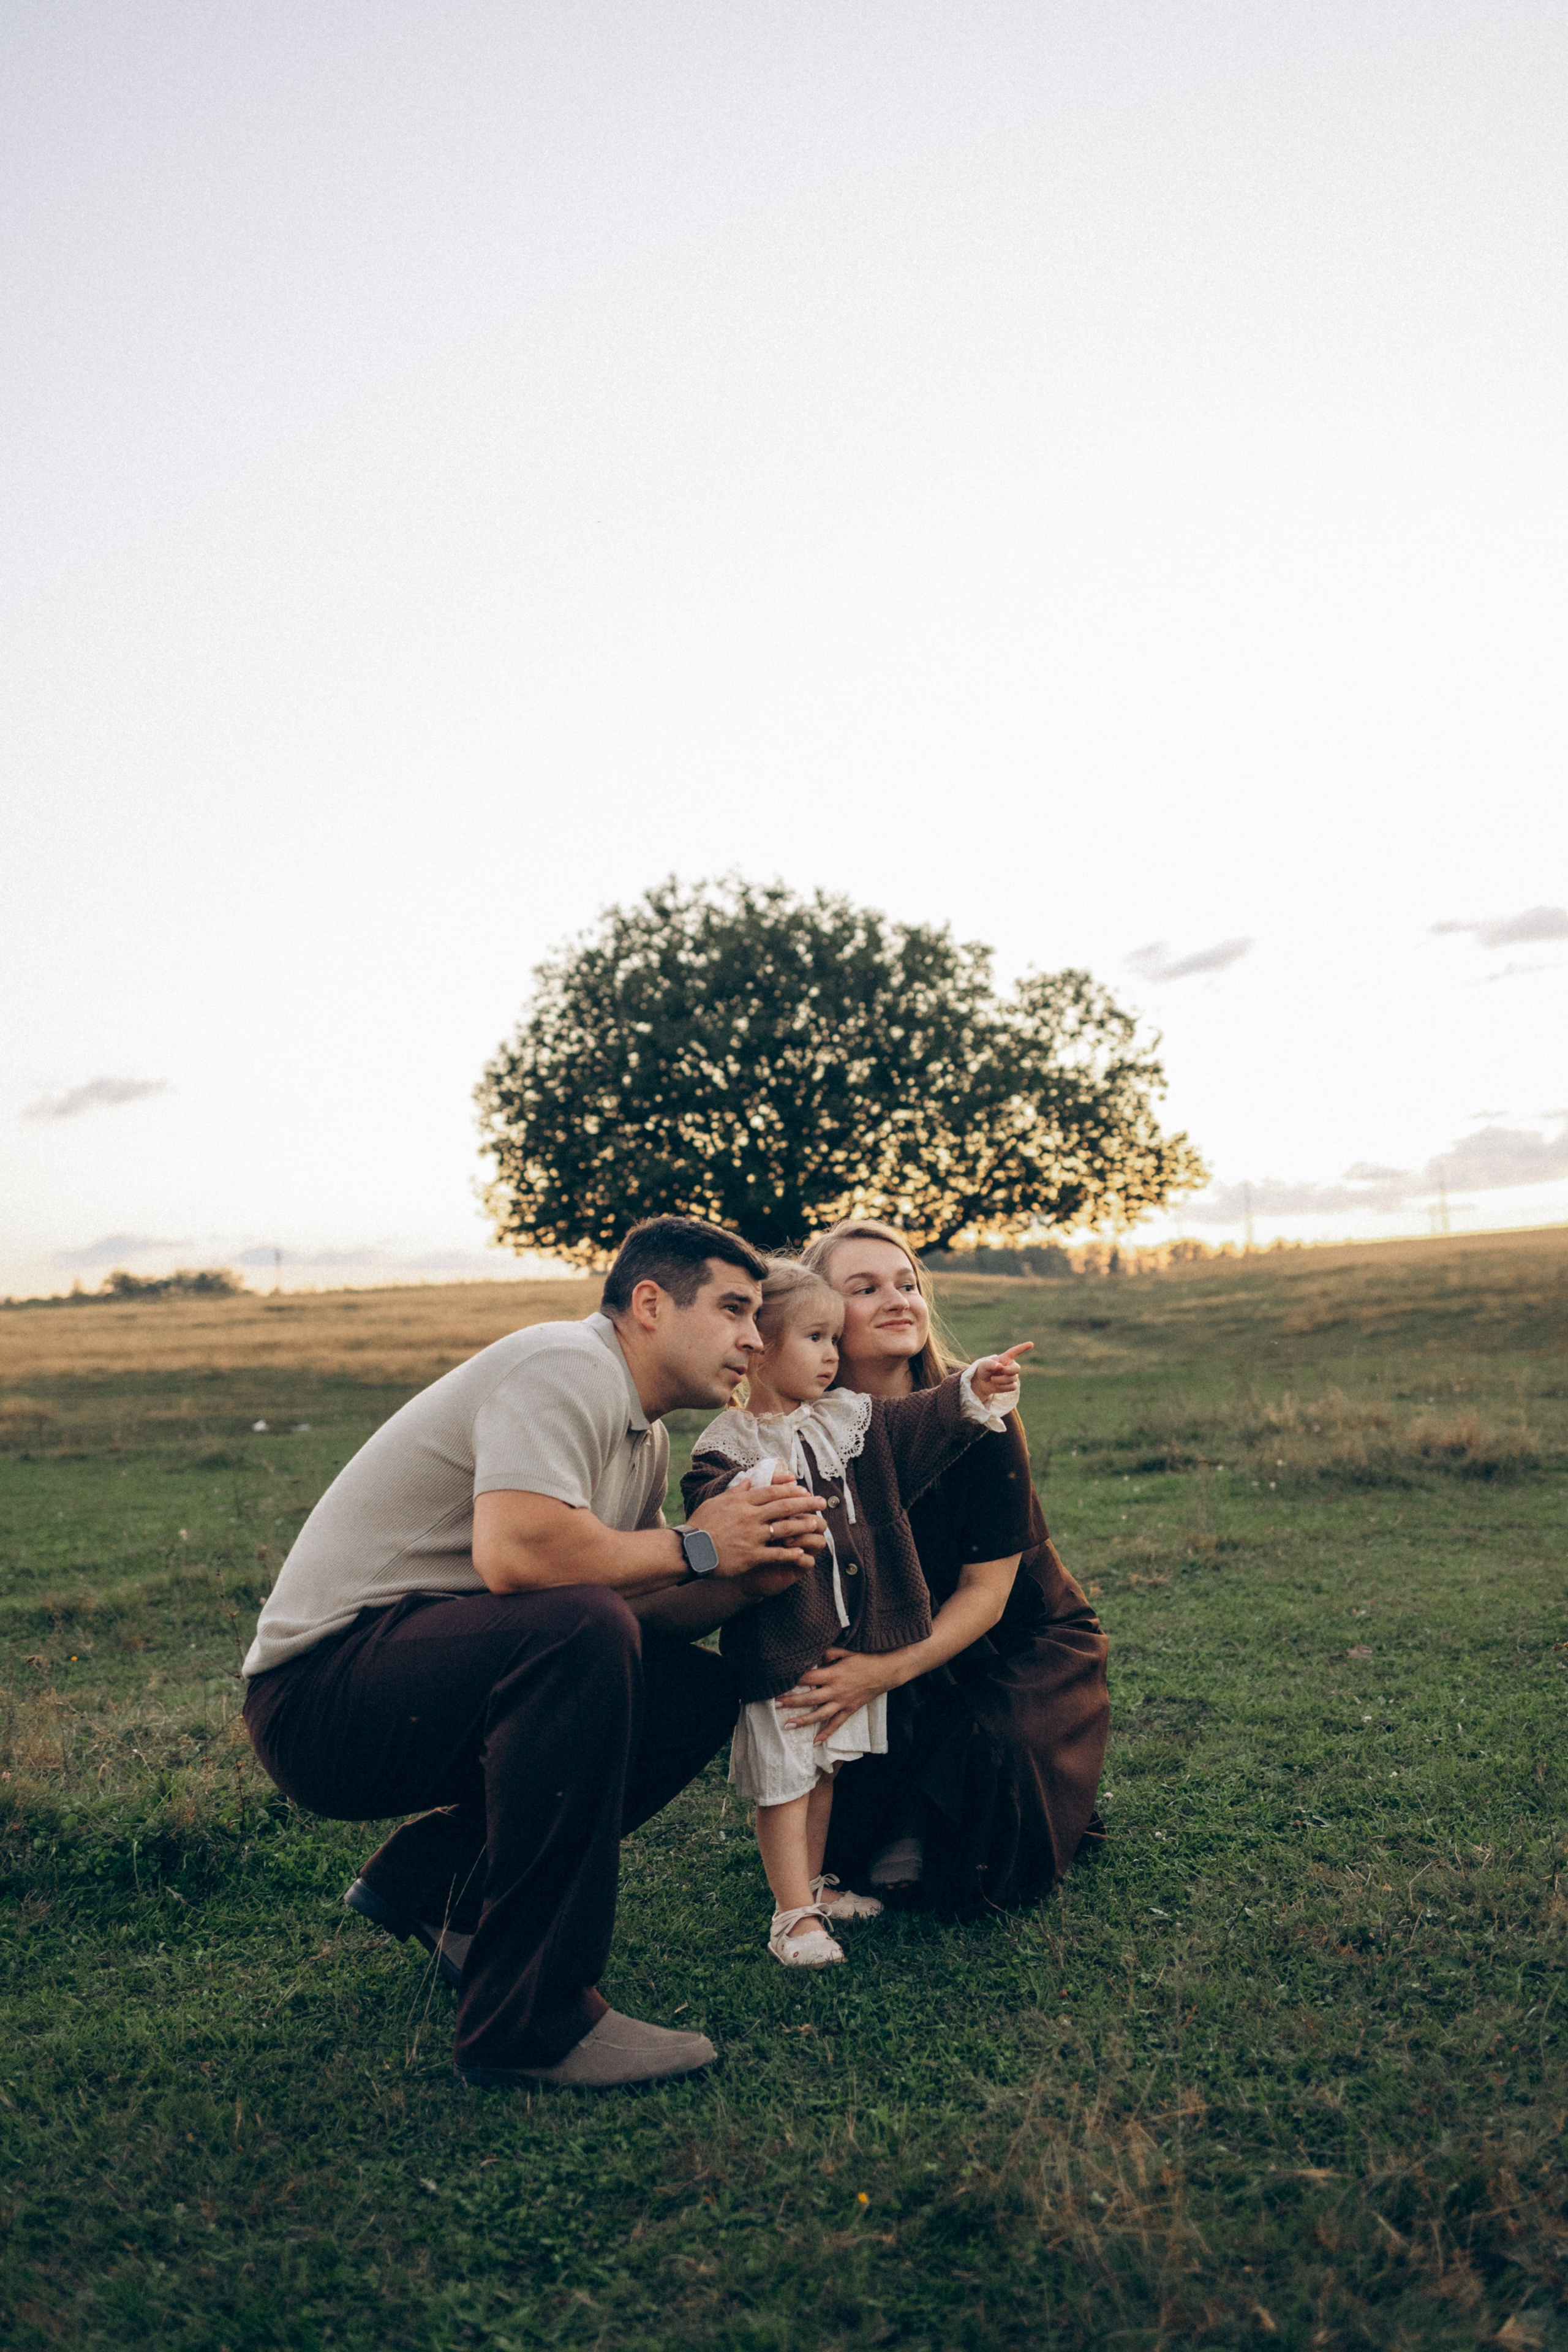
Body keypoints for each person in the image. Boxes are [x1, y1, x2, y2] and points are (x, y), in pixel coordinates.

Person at [241, 1215, 831, 2090]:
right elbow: (522, 1556)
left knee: (693, 1691)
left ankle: (441, 1887)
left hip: (424, 1675)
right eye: (735, 1309)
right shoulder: (564, 1364)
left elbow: (632, 1609)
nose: (755, 1336)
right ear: (649, 1305)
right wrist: (700, 1544)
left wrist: (743, 1577)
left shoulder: (644, 1432)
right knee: (581, 1629)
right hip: (321, 1698)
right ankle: (532, 2022)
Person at [679, 1260, 1030, 1968]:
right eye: (816, 1337)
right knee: (785, 1780)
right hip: (783, 1645)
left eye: (834, 1337)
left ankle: (816, 1887)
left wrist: (970, 1388)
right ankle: (792, 1918)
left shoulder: (846, 1420)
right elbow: (710, 1508)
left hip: (851, 1638)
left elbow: (916, 1421)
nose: (833, 1355)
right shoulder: (730, 1443)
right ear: (760, 1347)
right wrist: (755, 1487)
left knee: (827, 1769)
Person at [791, 1218, 1109, 1912]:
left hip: (1011, 1638)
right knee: (829, 1785)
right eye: (866, 1288)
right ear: (820, 1312)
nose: (898, 1299)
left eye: (907, 1283)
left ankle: (951, 1802)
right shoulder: (800, 1427)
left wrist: (881, 1674)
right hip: (887, 1631)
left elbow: (988, 1596)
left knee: (992, 1812)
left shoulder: (981, 1410)